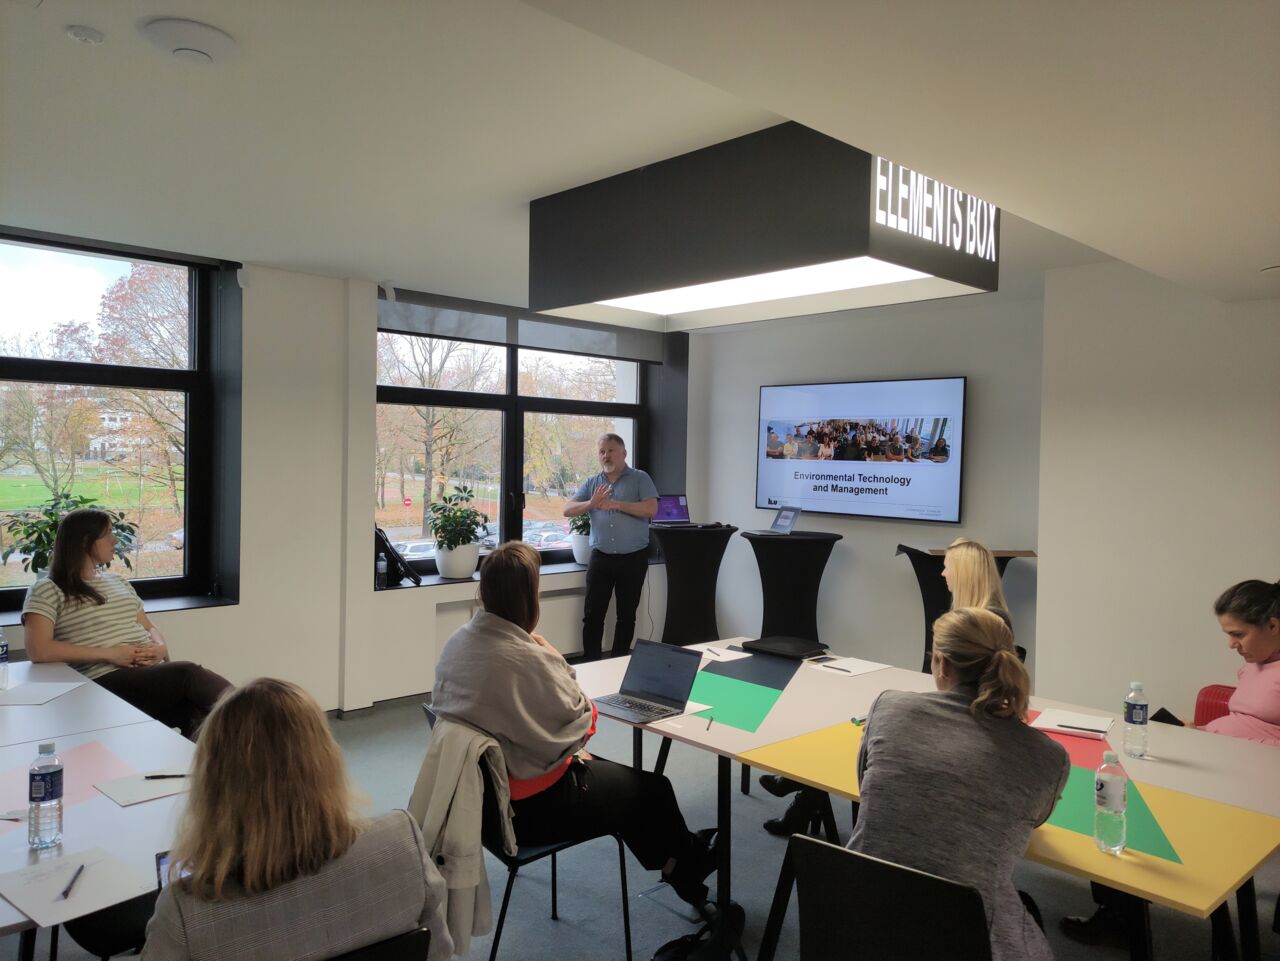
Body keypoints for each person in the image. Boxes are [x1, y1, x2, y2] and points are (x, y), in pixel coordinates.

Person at [430, 542, 717, 907]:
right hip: (526, 812)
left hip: (480, 800)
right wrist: (554, 658)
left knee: (630, 791)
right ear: (528, 598)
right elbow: (581, 724)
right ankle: (688, 864)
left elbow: (524, 726)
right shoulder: (524, 659)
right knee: (653, 790)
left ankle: (678, 863)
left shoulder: (459, 641)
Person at [141, 678, 452, 961]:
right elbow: (439, 953)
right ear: (327, 760)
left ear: (212, 784)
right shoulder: (403, 846)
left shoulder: (187, 914)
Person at [1062, 578, 1280, 947]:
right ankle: (1119, 910)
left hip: (1250, 785)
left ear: (1272, 625)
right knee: (1115, 794)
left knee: (1136, 813)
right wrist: (1196, 730)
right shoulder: (1256, 664)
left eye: (1238, 634)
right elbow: (1247, 720)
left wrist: (1222, 741)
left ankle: (1122, 915)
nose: (1231, 645)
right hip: (1217, 762)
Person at [848, 608, 1069, 961]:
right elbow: (1035, 819)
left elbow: (865, 786)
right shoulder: (1048, 757)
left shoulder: (888, 709)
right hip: (969, 936)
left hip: (857, 919)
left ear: (943, 665)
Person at [21, 508, 230, 739]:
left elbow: (148, 627)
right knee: (188, 673)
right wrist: (110, 655)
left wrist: (161, 647)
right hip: (101, 681)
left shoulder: (118, 581)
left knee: (197, 713)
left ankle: (225, 757)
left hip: (144, 676)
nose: (115, 540)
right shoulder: (47, 589)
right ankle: (255, 709)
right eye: (108, 534)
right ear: (84, 541)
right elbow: (38, 650)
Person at [562, 433, 658, 660]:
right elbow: (567, 509)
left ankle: (618, 662)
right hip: (601, 558)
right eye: (602, 451)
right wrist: (591, 503)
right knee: (592, 616)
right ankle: (591, 662)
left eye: (611, 450)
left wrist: (615, 504)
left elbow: (651, 509)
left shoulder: (640, 478)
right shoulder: (592, 483)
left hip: (633, 559)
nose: (606, 455)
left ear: (624, 453)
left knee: (626, 616)